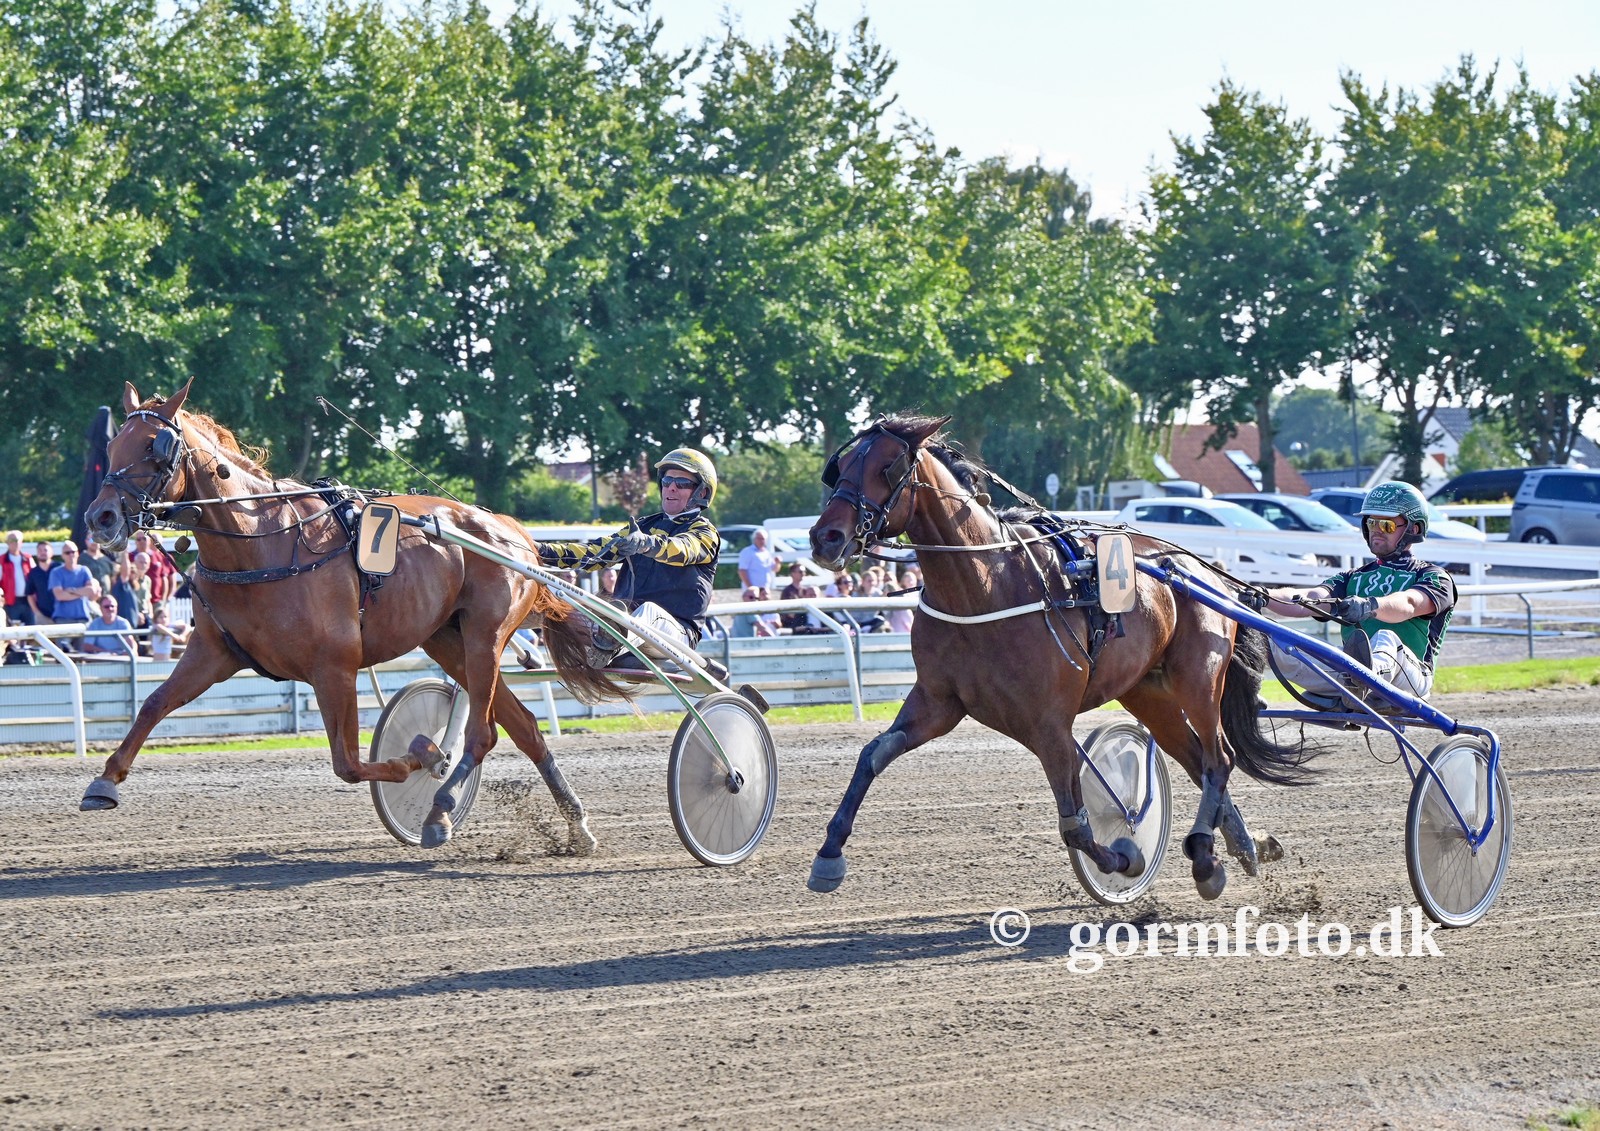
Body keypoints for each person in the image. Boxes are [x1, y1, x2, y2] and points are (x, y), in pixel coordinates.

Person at [1260, 480, 1456, 704]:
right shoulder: (1351, 578)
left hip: (1410, 679)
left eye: (1387, 526)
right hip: (1348, 672)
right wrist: (1263, 596)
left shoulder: (1434, 577)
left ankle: (1363, 681)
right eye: (1372, 523)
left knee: (1385, 638)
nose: (1377, 531)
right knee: (1266, 637)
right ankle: (1241, 692)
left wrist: (1369, 606)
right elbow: (1312, 598)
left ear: (1414, 529)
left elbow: (1409, 603)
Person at [534, 448, 723, 672]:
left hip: (675, 636)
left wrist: (645, 544)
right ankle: (532, 654)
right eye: (667, 480)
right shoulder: (642, 526)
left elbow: (682, 549)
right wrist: (539, 550)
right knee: (561, 609)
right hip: (626, 624)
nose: (671, 487)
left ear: (701, 493)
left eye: (682, 483)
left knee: (648, 612)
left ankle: (610, 649)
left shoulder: (705, 532)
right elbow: (593, 552)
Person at [48, 541, 100, 650]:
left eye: (73, 552)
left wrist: (71, 590)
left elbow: (91, 591)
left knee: (83, 655)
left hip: (83, 619)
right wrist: (81, 592)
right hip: (63, 620)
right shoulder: (56, 572)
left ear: (78, 553)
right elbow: (60, 596)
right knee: (63, 653)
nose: (71, 555)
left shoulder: (84, 570)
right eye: (67, 552)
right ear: (62, 555)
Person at [778, 563, 824, 634]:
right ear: (792, 573)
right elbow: (789, 613)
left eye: (804, 572)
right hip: (792, 624)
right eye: (800, 572)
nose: (803, 574)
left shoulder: (806, 590)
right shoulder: (787, 591)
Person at [133, 530, 175, 607]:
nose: (142, 541)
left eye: (144, 539)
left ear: (149, 541)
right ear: (135, 542)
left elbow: (164, 578)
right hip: (136, 601)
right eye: (139, 539)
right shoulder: (130, 557)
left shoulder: (158, 556)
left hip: (157, 601)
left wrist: (164, 599)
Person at [2, 530, 32, 626]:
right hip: (11, 602)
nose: (13, 542)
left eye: (16, 540)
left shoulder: (28, 559)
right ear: (7, 543)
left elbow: (34, 579)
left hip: (29, 601)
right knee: (13, 632)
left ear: (21, 542)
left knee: (31, 630)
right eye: (10, 540)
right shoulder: (2, 560)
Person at [24, 541, 56, 625]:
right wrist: (37, 613)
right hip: (43, 616)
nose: (42, 552)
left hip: (62, 615)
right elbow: (29, 594)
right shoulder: (33, 573)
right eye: (39, 550)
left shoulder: (60, 569)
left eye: (45, 550)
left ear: (52, 552)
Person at [886, 568, 919, 633]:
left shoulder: (920, 593)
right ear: (903, 582)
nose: (911, 582)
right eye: (908, 581)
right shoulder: (901, 593)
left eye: (912, 580)